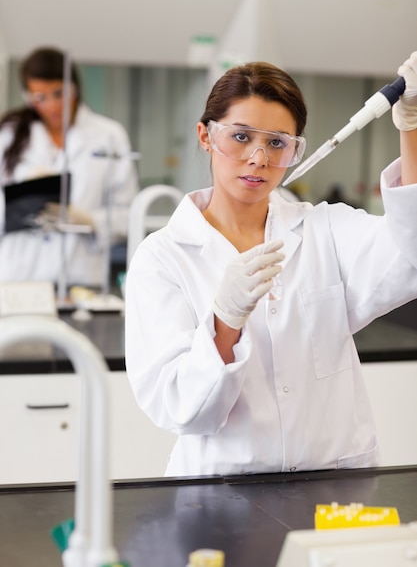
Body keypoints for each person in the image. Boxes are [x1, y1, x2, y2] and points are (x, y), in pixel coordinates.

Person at [125, 53, 417, 477]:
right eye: (241, 137)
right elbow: (182, 409)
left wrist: (410, 127)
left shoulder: (325, 231)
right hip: (221, 493)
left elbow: (411, 251)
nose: (259, 158)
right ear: (206, 136)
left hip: (333, 485)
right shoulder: (164, 257)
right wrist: (224, 321)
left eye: (278, 143)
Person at [0, 47, 139, 288]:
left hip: (80, 275)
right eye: (39, 97)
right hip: (18, 273)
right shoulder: (8, 135)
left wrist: (89, 220)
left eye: (58, 93)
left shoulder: (108, 135)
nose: (52, 105)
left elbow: (128, 214)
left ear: (74, 88)